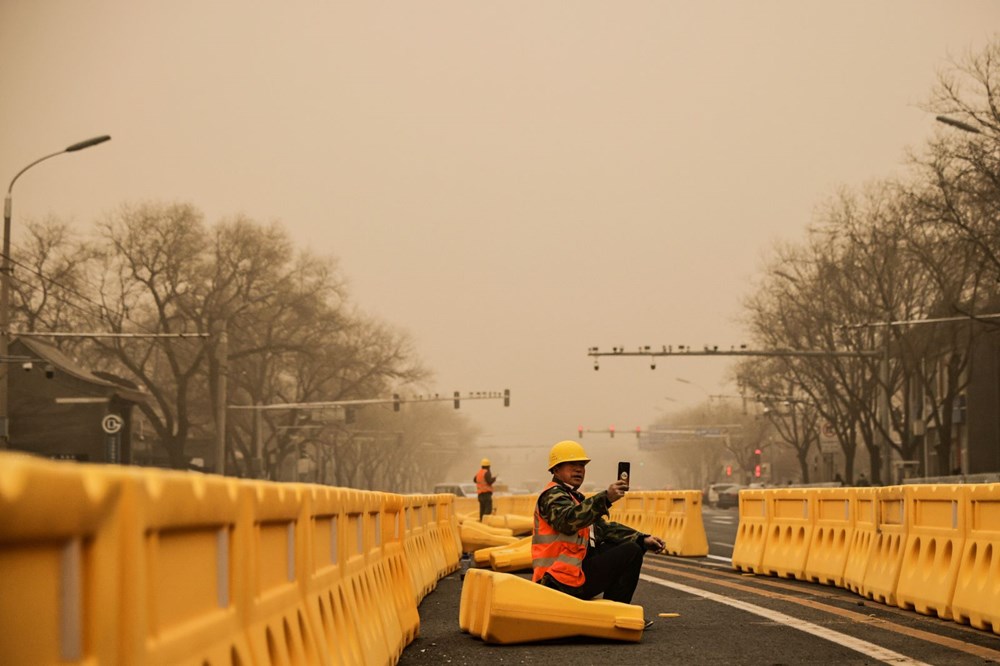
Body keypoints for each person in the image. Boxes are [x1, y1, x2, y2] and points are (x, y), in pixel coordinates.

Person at [532, 440, 665, 617]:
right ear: (556, 470)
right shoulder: (552, 495)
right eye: (572, 465)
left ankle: (613, 611)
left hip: (570, 575)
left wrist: (642, 539)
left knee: (628, 545)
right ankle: (616, 615)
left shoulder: (574, 498)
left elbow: (604, 529)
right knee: (631, 552)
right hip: (555, 581)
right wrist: (605, 499)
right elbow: (567, 520)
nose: (579, 469)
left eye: (582, 465)